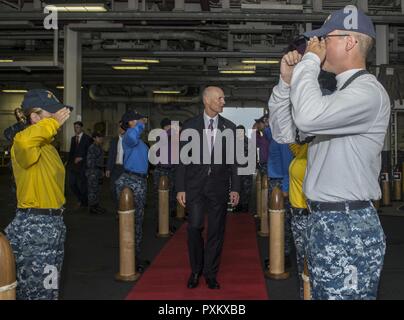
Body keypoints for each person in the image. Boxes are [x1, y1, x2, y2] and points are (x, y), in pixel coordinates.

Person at [268, 6, 390, 299]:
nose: (318, 44)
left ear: (350, 42)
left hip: (348, 225)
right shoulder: (337, 97)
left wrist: (309, 60)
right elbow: (285, 132)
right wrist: (286, 82)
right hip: (325, 221)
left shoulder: (367, 93)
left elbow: (308, 117)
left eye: (325, 38)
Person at [4, 89, 72, 299]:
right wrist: (52, 124)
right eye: (50, 113)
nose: (57, 118)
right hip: (35, 226)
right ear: (34, 117)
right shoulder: (23, 144)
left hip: (52, 225)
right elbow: (24, 141)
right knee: (38, 293)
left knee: (47, 289)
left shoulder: (48, 147)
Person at [176, 86, 240, 290]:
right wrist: (180, 188)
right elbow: (182, 160)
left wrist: (235, 188)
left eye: (223, 97)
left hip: (219, 188)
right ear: (207, 101)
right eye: (219, 98)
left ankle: (211, 273)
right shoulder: (189, 126)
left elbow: (235, 162)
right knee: (194, 228)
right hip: (194, 187)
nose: (223, 101)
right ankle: (196, 270)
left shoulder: (229, 127)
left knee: (216, 231)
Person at [115, 110, 149, 273]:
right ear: (129, 123)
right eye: (135, 119)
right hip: (132, 180)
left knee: (137, 222)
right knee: (132, 223)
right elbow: (133, 136)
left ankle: (135, 256)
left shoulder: (138, 141)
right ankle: (131, 259)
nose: (140, 121)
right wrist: (140, 124)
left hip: (139, 180)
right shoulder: (129, 136)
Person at [153, 118, 176, 218]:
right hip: (162, 170)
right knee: (162, 198)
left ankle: (166, 223)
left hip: (168, 170)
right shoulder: (162, 136)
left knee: (169, 197)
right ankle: (161, 225)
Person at [67, 121, 92, 208]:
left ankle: (84, 202)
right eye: (74, 127)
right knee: (71, 184)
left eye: (77, 127)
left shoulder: (87, 138)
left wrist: (82, 158)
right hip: (73, 166)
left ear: (81, 128)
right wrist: (68, 165)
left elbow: (90, 153)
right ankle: (82, 199)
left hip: (83, 166)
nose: (75, 129)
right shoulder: (73, 139)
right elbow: (71, 153)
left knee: (83, 185)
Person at [106, 122, 126, 210]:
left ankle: (123, 210)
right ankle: (119, 207)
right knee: (113, 189)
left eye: (122, 127)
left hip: (125, 169)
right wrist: (108, 169)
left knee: (124, 190)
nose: (120, 128)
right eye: (119, 127)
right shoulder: (114, 140)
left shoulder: (129, 140)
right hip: (115, 168)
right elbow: (111, 155)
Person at [86, 131, 106, 214]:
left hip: (98, 171)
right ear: (94, 138)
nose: (101, 139)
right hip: (93, 172)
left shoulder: (100, 147)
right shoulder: (92, 147)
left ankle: (96, 205)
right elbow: (90, 162)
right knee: (92, 190)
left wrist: (102, 171)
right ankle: (92, 208)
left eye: (101, 137)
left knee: (97, 190)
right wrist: (95, 171)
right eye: (99, 137)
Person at [234, 125, 253, 213]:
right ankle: (238, 206)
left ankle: (244, 207)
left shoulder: (248, 142)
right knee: (237, 188)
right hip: (237, 170)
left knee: (245, 189)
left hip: (246, 170)